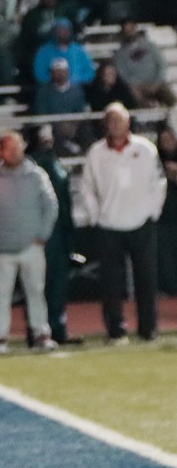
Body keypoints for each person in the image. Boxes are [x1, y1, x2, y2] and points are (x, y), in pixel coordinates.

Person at [78, 103, 167, 343]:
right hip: (109, 225)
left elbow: (158, 182)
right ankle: (115, 330)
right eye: (112, 121)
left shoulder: (146, 149)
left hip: (141, 222)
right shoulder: (96, 153)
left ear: (128, 122)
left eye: (121, 120)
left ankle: (148, 329)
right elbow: (86, 187)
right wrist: (96, 215)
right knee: (110, 283)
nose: (117, 125)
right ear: (106, 124)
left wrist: (152, 212)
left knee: (146, 279)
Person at [0, 131, 60, 353]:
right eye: (9, 148)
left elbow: (51, 206)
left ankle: (41, 334)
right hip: (2, 247)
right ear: (1, 151)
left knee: (35, 291)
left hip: (31, 245)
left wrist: (42, 236)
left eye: (17, 147)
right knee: (1, 296)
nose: (14, 152)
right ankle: (0, 338)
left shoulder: (36, 175)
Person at [28, 125, 82, 344]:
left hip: (60, 231)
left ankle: (57, 329)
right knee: (39, 285)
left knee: (58, 285)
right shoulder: (30, 165)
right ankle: (39, 331)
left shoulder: (53, 160)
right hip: (40, 233)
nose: (48, 141)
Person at [111, 19, 176, 109]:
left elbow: (161, 65)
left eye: (131, 29)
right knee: (134, 96)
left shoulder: (151, 46)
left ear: (135, 28)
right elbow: (123, 75)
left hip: (156, 82)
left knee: (171, 99)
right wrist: (137, 85)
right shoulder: (119, 54)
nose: (129, 32)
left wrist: (156, 82)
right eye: (126, 30)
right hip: (137, 86)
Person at [32, 58, 92, 155]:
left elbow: (81, 111)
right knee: (45, 135)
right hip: (53, 127)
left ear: (67, 72)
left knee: (87, 131)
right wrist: (58, 125)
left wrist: (73, 125)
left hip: (74, 126)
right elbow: (42, 114)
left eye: (62, 71)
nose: (60, 73)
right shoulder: (43, 92)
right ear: (51, 73)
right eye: (57, 71)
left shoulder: (76, 90)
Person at [32, 17, 95, 86]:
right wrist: (57, 84)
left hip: (77, 90)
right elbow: (40, 75)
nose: (63, 33)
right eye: (60, 30)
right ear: (54, 32)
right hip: (51, 91)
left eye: (66, 29)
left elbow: (89, 72)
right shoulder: (44, 51)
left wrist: (76, 82)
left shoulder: (78, 50)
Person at [157, 123, 177, 296]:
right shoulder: (154, 159)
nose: (167, 142)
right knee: (166, 259)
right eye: (163, 139)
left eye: (169, 138)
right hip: (164, 218)